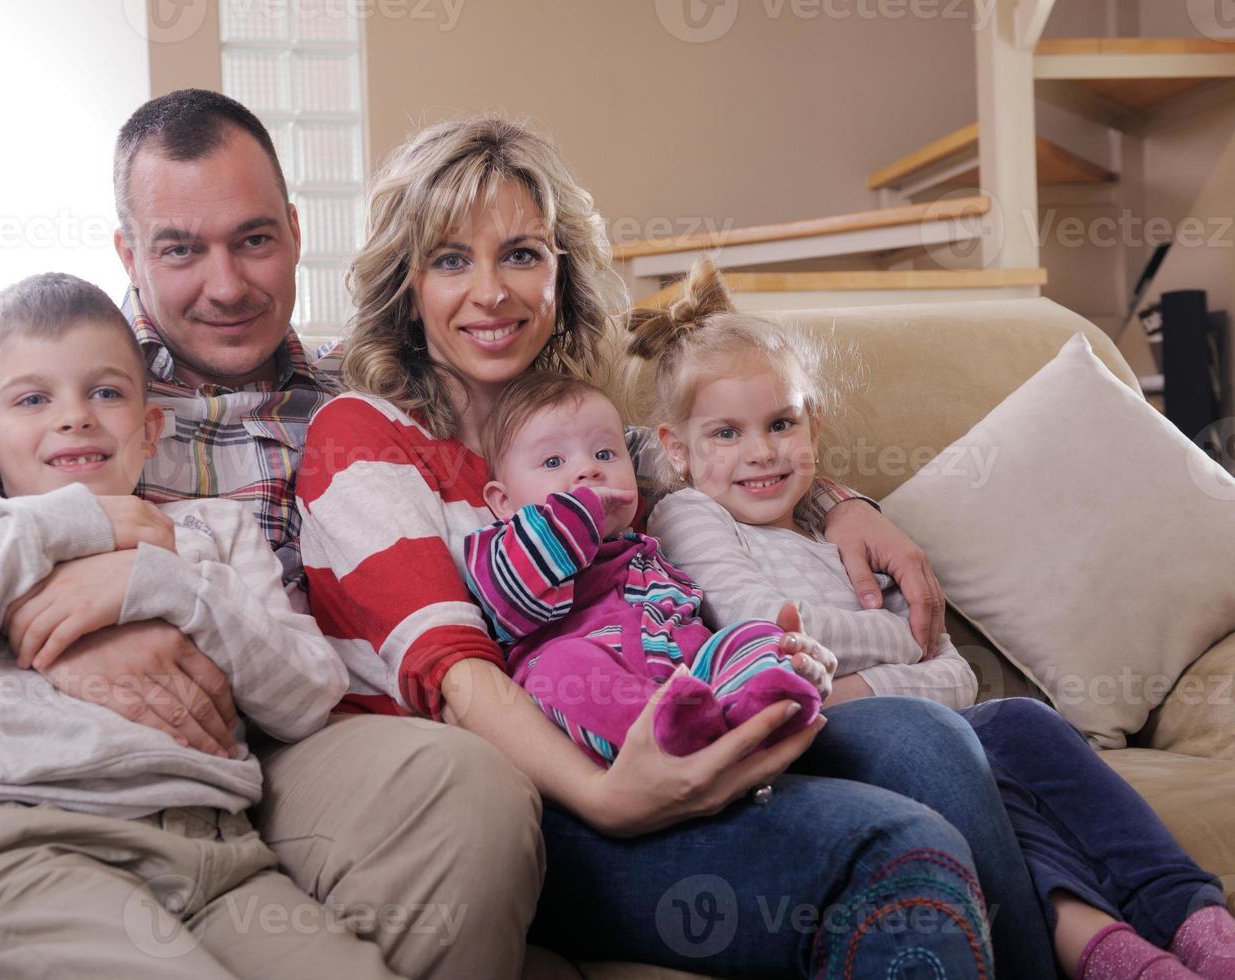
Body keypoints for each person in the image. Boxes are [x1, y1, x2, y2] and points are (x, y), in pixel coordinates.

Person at [0, 90, 542, 980]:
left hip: (253, 765)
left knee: (467, 787)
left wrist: (159, 588)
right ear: (128, 252)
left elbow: (551, 450)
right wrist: (51, 590)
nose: (225, 286)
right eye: (180, 249)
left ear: (294, 232)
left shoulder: (357, 396)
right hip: (16, 784)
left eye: (253, 239)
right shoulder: (43, 347)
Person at [295, 113, 1060, 977]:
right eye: (449, 259)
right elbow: (455, 671)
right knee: (896, 849)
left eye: (522, 254)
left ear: (562, 274)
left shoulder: (598, 441)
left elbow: (737, 469)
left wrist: (847, 506)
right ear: (405, 284)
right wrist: (611, 797)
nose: (492, 292)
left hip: (683, 727)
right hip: (539, 801)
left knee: (928, 739)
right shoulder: (360, 434)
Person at [0, 272, 411, 977]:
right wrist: (51, 531)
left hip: (223, 858)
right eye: (33, 398)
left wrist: (171, 586)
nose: (75, 418)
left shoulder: (211, 535)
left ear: (150, 431)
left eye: (107, 392)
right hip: (24, 850)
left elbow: (306, 698)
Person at [643, 259, 1235, 980]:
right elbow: (764, 624)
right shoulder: (691, 513)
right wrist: (901, 647)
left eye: (781, 423)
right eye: (726, 434)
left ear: (814, 421)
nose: (761, 451)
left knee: (1021, 726)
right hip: (810, 747)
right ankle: (1119, 955)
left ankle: (1194, 927)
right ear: (676, 448)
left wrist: (857, 686)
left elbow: (954, 672)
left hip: (877, 714)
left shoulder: (843, 535)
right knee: (957, 756)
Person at [462, 370, 822, 765]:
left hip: (690, 683)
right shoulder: (504, 548)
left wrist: (767, 649)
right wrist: (581, 510)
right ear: (502, 500)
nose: (589, 470)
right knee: (562, 667)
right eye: (553, 461)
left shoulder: (649, 549)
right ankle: (670, 737)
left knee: (755, 633)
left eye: (604, 455)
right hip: (596, 701)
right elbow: (515, 589)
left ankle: (762, 707)